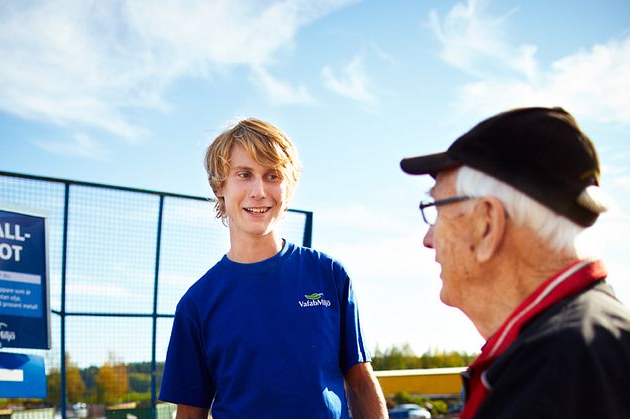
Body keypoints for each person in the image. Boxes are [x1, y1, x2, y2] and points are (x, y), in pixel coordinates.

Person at [399, 107, 630, 418]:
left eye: (436, 210)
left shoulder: (558, 365)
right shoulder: (576, 344)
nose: (428, 239)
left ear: (487, 224)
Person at [159, 118, 387, 419]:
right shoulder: (197, 304)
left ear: (288, 186)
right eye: (244, 174)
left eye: (272, 175)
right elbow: (190, 414)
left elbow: (359, 382)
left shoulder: (329, 275)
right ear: (219, 187)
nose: (259, 191)